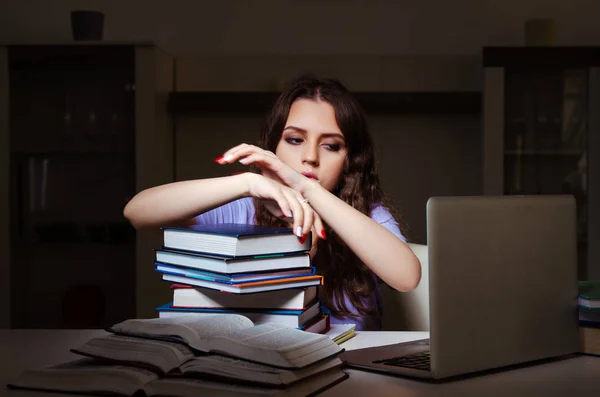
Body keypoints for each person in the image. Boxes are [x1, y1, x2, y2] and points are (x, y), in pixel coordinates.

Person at [124, 75, 421, 330]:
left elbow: (406, 277)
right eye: (295, 140)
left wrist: (307, 188)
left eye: (331, 145)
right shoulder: (242, 208)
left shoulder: (366, 214)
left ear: (349, 161)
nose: (310, 157)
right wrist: (246, 183)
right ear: (273, 148)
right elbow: (137, 212)